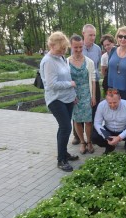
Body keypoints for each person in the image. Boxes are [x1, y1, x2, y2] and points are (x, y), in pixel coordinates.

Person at [39, 31, 79, 172]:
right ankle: (61, 160)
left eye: (64, 49)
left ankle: (64, 153)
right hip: (56, 99)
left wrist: (73, 94)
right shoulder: (48, 61)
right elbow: (51, 84)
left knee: (64, 128)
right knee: (66, 127)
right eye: (60, 49)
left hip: (68, 98)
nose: (63, 51)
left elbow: (66, 75)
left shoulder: (61, 57)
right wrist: (70, 84)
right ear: (51, 45)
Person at [71, 24, 102, 145]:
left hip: (93, 84)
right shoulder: (77, 46)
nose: (93, 37)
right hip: (77, 86)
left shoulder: (97, 49)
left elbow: (97, 65)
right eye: (90, 35)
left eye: (94, 35)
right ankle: (77, 137)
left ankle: (91, 136)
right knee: (76, 113)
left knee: (92, 110)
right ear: (83, 34)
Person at [68, 34, 96, 154]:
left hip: (86, 93)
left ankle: (89, 141)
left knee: (88, 120)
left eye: (81, 47)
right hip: (74, 96)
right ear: (71, 46)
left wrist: (93, 96)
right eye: (76, 47)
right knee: (77, 120)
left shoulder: (89, 62)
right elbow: (65, 80)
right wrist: (70, 95)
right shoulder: (66, 62)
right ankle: (82, 142)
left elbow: (93, 80)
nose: (79, 50)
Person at [92, 88, 126, 156]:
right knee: (94, 137)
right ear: (106, 99)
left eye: (115, 102)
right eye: (110, 103)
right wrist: (106, 137)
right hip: (108, 129)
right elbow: (97, 123)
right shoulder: (101, 105)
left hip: (123, 129)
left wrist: (119, 137)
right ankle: (109, 146)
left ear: (120, 98)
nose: (112, 105)